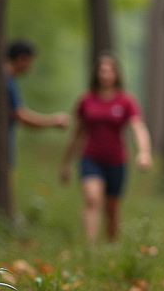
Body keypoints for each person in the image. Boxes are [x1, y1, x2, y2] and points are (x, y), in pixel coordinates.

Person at [59, 53, 151, 243]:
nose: (106, 74)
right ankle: (90, 248)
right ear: (96, 73)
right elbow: (77, 133)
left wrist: (144, 152)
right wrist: (65, 163)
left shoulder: (125, 101)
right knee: (92, 199)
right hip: (90, 158)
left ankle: (111, 246)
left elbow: (138, 128)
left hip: (116, 161)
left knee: (111, 209)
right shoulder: (86, 100)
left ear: (117, 74)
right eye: (102, 70)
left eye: (110, 70)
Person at [5, 39, 69, 164]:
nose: (32, 65)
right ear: (21, 58)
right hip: (2, 151)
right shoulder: (7, 81)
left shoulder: (7, 79)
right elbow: (21, 116)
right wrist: (54, 121)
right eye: (31, 60)